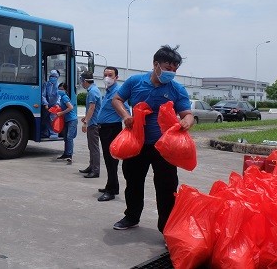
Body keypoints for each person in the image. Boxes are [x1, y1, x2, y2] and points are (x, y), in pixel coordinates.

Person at [111, 45, 194, 233]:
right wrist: (125, 116)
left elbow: (187, 114)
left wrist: (186, 122)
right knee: (133, 182)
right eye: (168, 68)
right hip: (137, 143)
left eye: (174, 70)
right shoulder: (135, 82)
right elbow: (116, 99)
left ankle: (166, 228)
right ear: (156, 64)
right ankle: (131, 216)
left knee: (167, 187)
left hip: (164, 147)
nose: (171, 73)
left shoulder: (177, 89)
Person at [97, 66, 127, 201]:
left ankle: (111, 190)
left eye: (110, 75)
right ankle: (112, 185)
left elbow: (126, 110)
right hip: (104, 129)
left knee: (111, 160)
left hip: (112, 129)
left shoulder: (118, 92)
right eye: (105, 75)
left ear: (116, 77)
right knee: (108, 160)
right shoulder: (109, 91)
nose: (107, 77)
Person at [78, 70, 102, 178]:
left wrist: (86, 122)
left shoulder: (92, 92)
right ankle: (91, 166)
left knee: (94, 147)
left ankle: (95, 170)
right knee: (91, 147)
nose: (81, 84)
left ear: (85, 81)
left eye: (81, 81)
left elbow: (92, 108)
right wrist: (86, 117)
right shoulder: (93, 90)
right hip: (93, 121)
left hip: (94, 123)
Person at [54, 82, 78, 162]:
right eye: (59, 89)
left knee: (69, 137)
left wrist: (61, 113)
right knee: (65, 138)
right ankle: (66, 153)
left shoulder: (64, 97)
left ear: (65, 90)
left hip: (72, 119)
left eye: (61, 89)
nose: (59, 90)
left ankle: (69, 155)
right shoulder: (61, 98)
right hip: (67, 120)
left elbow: (70, 107)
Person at [41, 69, 60, 138]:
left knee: (53, 119)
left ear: (57, 77)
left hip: (55, 105)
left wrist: (57, 104)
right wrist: (45, 104)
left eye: (54, 76)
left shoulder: (58, 85)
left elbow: (59, 96)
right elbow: (43, 95)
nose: (52, 78)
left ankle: (54, 133)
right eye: (51, 76)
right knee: (45, 119)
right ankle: (45, 132)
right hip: (47, 105)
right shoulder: (46, 84)